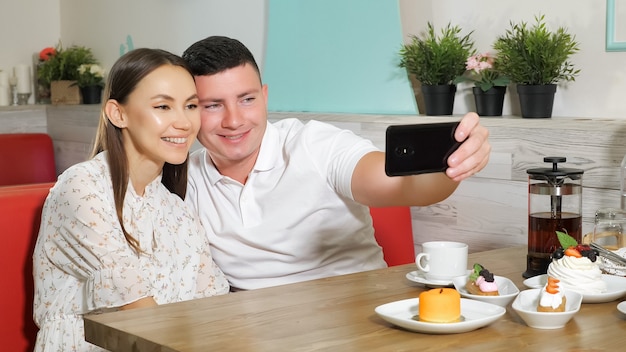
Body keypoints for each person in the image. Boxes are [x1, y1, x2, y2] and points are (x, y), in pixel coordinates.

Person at [182, 36, 491, 291]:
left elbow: (404, 185)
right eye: (213, 106)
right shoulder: (184, 177)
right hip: (249, 329)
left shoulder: (314, 144)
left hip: (355, 314)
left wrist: (454, 164)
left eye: (246, 99)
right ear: (191, 109)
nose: (234, 120)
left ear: (264, 97)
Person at [32, 48, 229, 351]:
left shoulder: (177, 210)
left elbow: (212, 308)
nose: (184, 122)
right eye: (163, 107)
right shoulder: (82, 189)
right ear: (118, 113)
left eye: (191, 106)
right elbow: (138, 309)